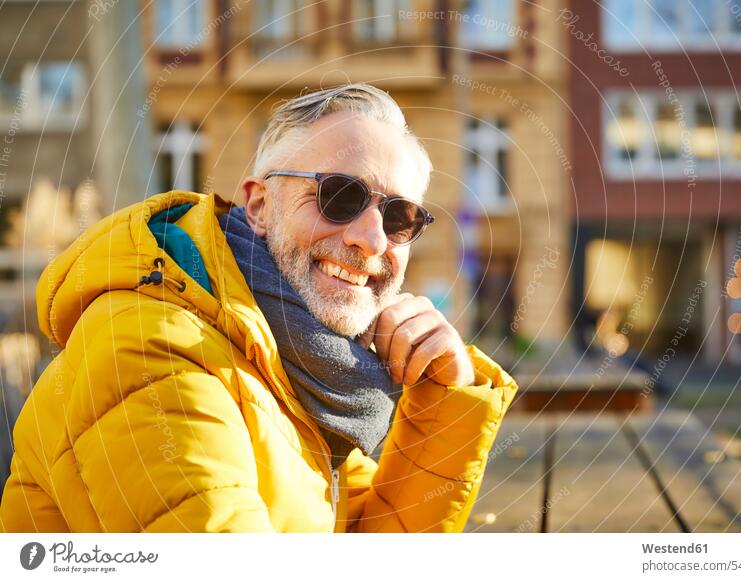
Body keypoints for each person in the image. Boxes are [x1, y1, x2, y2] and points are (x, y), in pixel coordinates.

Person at [0, 83, 518, 532]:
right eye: (339, 196)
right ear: (259, 206)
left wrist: (447, 399)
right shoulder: (154, 344)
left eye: (399, 216)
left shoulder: (302, 365)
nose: (372, 240)